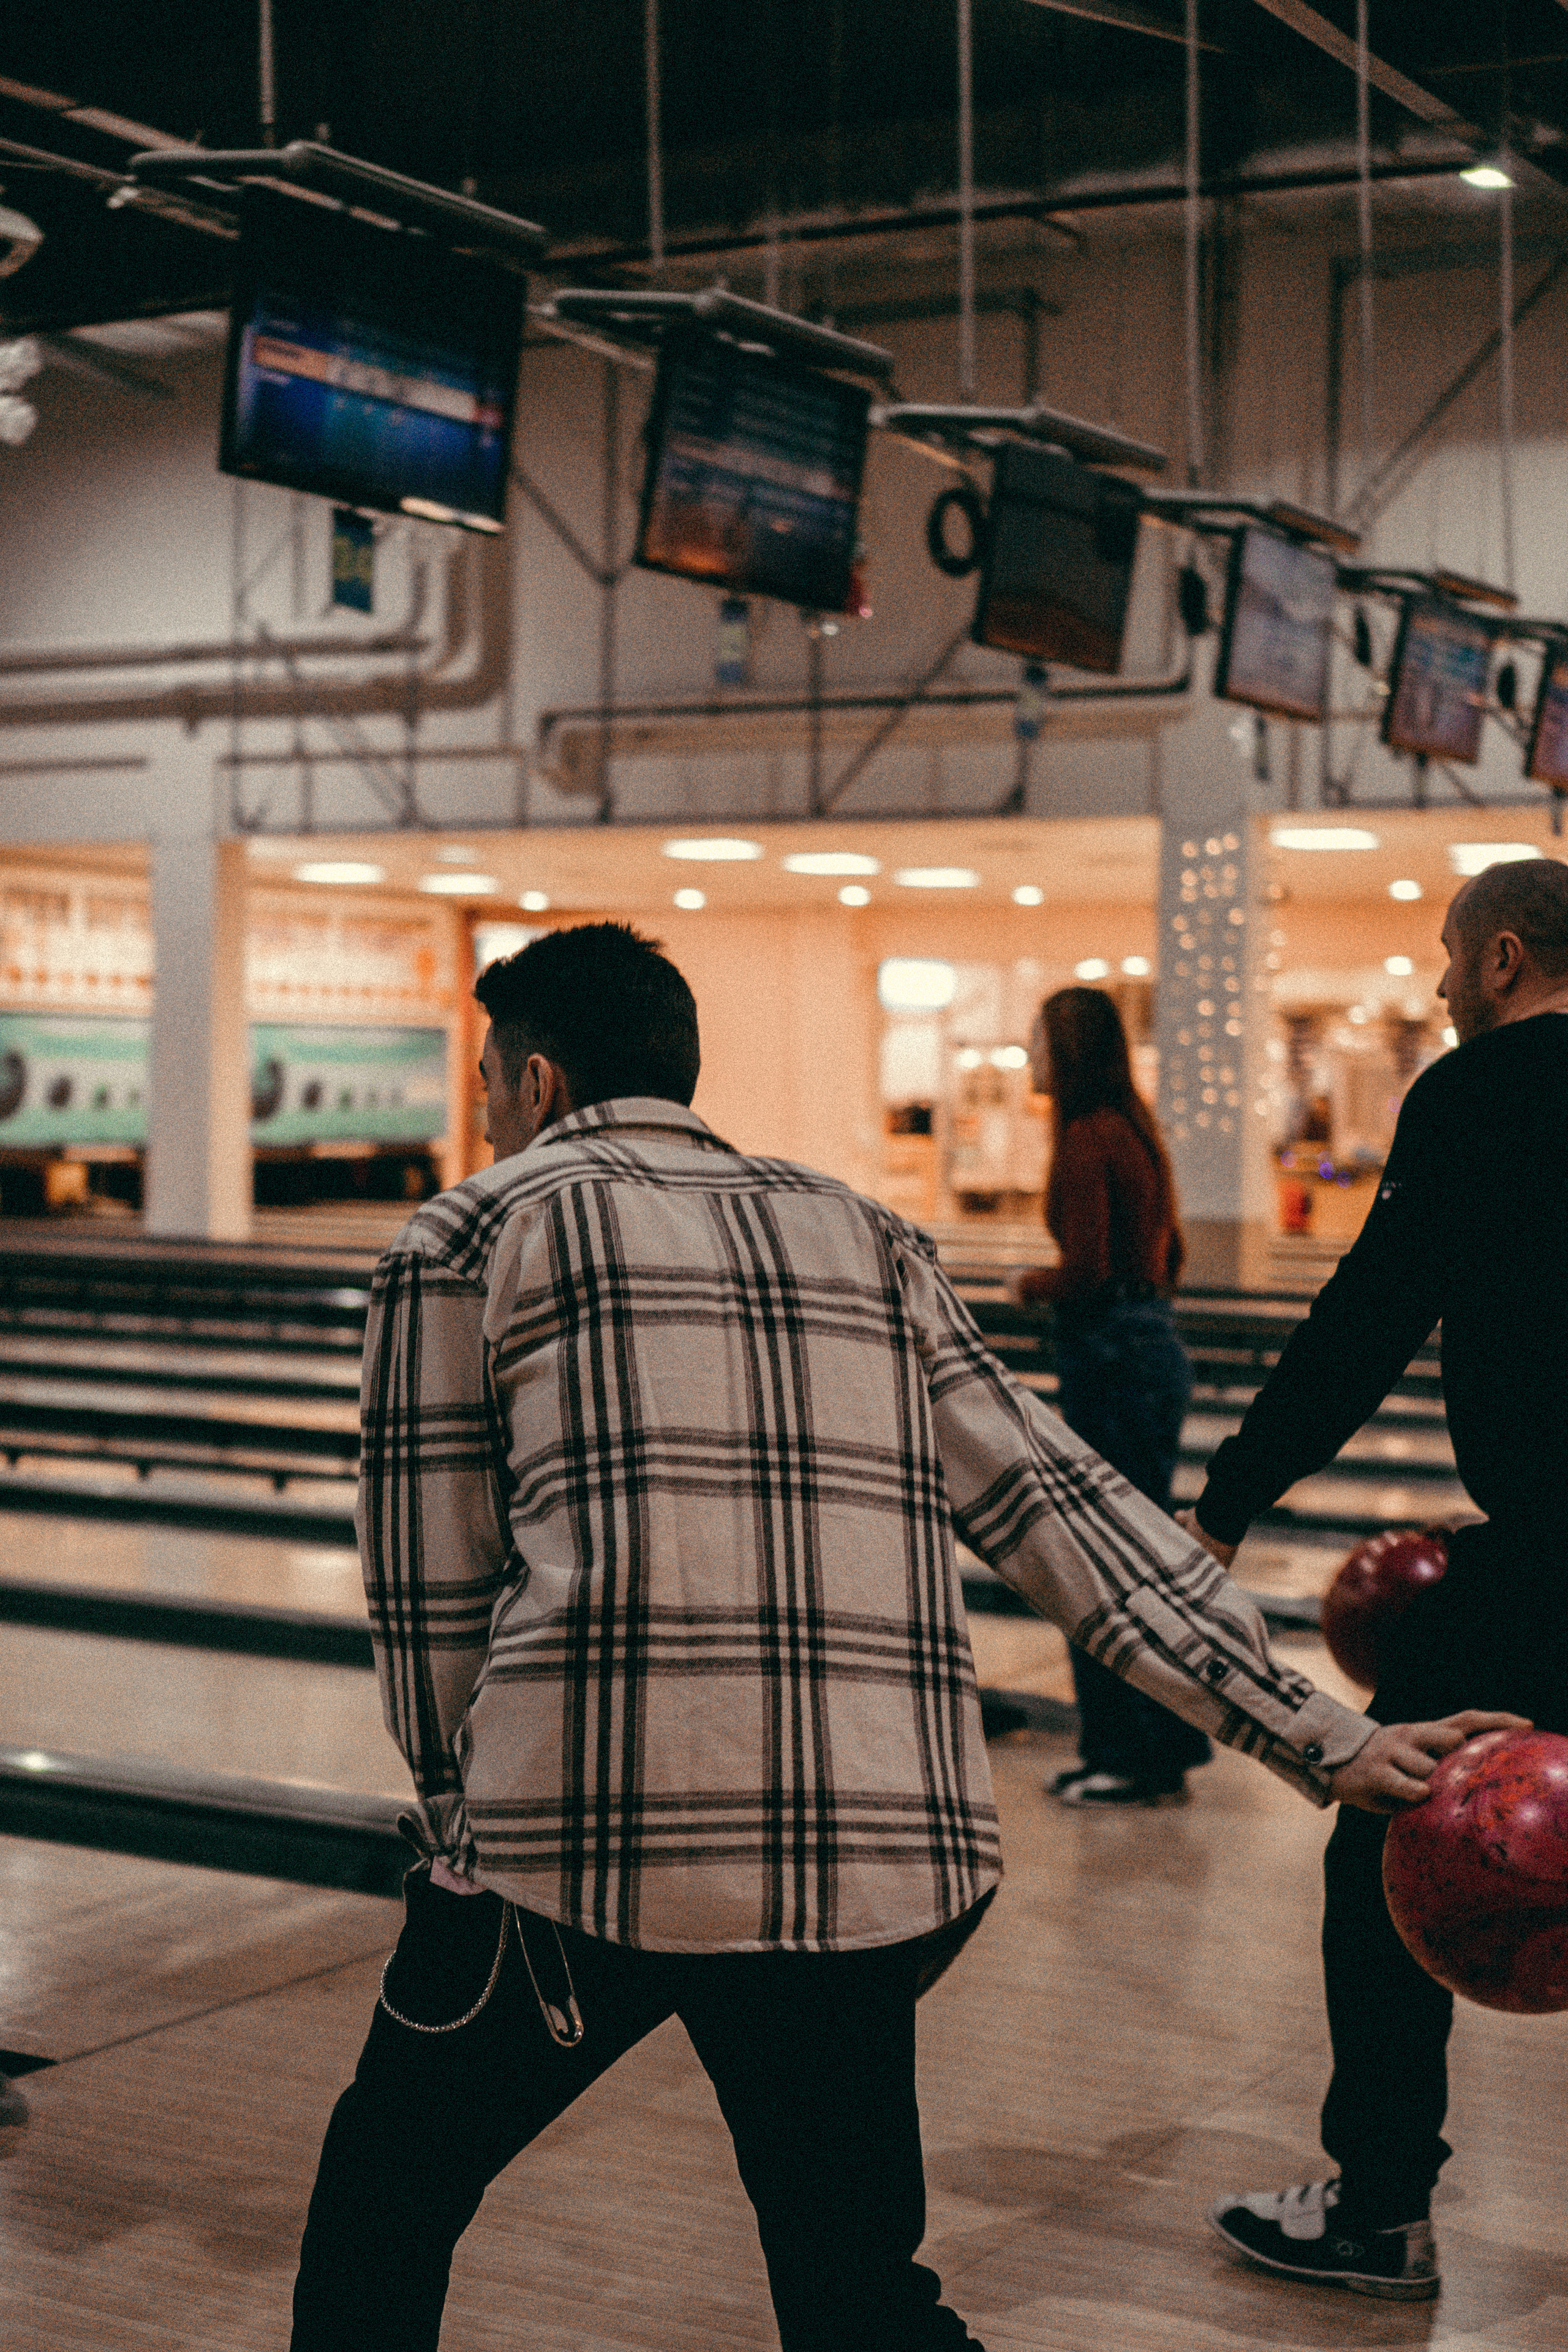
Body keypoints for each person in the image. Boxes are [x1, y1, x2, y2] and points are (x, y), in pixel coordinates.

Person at [290, 920, 1517, 2352]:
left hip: (576, 1850)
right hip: (864, 1857)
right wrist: (1328, 1736)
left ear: (539, 1081)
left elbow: (430, 1592)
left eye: (492, 1078)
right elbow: (1063, 1512)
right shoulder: (859, 1228)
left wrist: (458, 1817)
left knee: (383, 2210)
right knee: (857, 2291)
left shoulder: (465, 1233)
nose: (492, 1111)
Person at [1182, 855, 1568, 2303]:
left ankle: (1378, 2205)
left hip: (1541, 1558)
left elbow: (1363, 1320)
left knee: (1386, 1825)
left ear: (1503, 961)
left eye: (1443, 959)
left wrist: (1226, 1497)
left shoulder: (1475, 1092)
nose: (1431, 984)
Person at [1009, 986, 1212, 1805]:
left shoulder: (1087, 1139)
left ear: (1073, 1051)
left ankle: (1129, 1754)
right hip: (1148, 1351)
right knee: (1138, 1564)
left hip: (1113, 1361)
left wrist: (1030, 1283)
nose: (1031, 1057)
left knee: (1101, 1566)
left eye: (1040, 1042)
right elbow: (1170, 1258)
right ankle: (1153, 1748)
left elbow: (1087, 1271)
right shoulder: (1134, 1131)